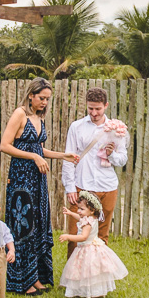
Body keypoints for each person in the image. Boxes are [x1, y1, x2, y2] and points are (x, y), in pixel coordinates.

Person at [1, 78, 78, 296]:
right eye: (42, 98)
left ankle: (34, 277)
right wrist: (34, 156)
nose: (45, 102)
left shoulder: (38, 118)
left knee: (38, 223)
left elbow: (40, 150)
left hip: (38, 179)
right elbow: (5, 145)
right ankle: (21, 281)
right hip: (21, 179)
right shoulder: (20, 114)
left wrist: (64, 155)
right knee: (23, 225)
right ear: (31, 96)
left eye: (47, 99)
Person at [62, 87, 129, 257]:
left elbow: (122, 160)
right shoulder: (77, 127)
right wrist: (70, 187)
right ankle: (73, 279)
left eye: (98, 109)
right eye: (90, 108)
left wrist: (111, 154)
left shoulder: (116, 129)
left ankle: (97, 279)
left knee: (101, 236)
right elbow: (68, 158)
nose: (94, 113)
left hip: (107, 186)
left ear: (106, 105)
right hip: (81, 186)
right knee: (76, 235)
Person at [58, 191, 128, 298]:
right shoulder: (91, 218)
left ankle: (89, 292)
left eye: (82, 209)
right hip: (93, 247)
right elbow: (80, 218)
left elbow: (83, 237)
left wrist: (68, 236)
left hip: (86, 249)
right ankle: (94, 292)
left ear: (92, 210)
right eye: (78, 208)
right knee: (93, 272)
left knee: (86, 271)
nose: (79, 211)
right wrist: (70, 213)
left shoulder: (87, 223)